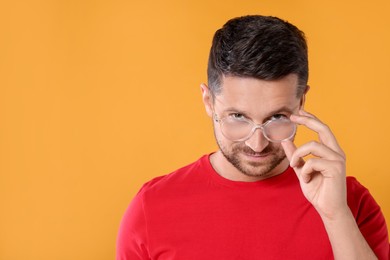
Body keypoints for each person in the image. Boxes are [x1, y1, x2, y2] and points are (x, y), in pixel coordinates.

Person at [116, 15, 389, 259]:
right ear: (208, 101)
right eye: (238, 117)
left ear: (301, 101)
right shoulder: (152, 208)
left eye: (277, 118)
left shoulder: (350, 202)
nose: (257, 145)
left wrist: (335, 215)